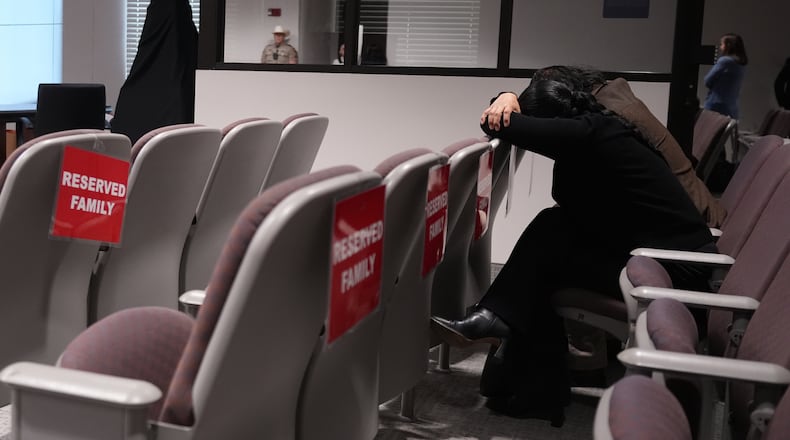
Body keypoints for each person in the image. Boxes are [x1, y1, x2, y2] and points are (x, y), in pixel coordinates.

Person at [431, 80, 717, 424]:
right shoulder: (598, 131)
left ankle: (512, 352)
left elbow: (494, 121)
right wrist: (507, 96)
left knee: (546, 252)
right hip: (651, 255)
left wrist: (506, 102)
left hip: (678, 272)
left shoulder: (590, 135)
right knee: (550, 234)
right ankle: (504, 336)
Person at [487, 65, 727, 228]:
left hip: (687, 225)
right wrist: (507, 96)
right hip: (685, 215)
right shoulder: (609, 96)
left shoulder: (605, 122)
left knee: (553, 230)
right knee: (554, 227)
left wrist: (506, 100)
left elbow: (499, 124)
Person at [111, 0, 198, 144]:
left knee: (76, 158)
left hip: (132, 158)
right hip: (165, 158)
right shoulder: (188, 86)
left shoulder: (135, 91)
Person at [703, 33, 748, 119]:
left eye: (722, 44)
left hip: (715, 104)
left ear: (728, 45)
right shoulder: (741, 64)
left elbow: (707, 80)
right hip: (731, 106)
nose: (720, 47)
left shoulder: (725, 61)